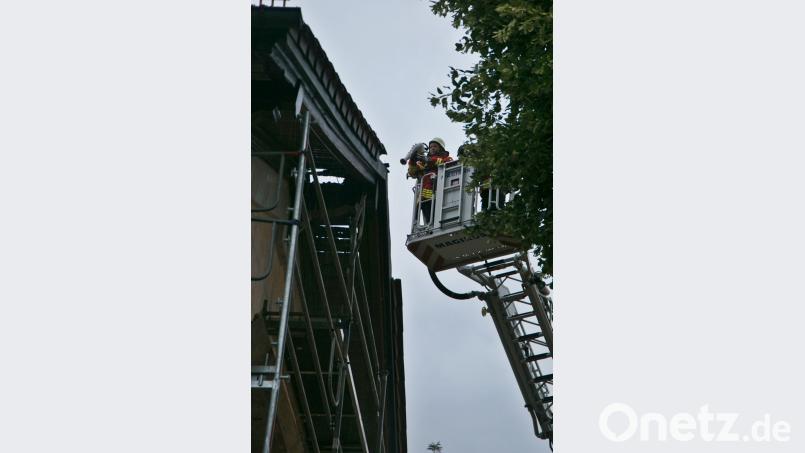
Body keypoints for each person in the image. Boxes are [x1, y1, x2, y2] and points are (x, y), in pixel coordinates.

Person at [417, 137, 453, 225]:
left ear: (440, 148)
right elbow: (414, 171)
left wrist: (428, 160)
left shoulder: (447, 159)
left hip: (439, 193)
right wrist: (413, 161)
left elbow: (442, 162)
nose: (432, 148)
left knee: (437, 215)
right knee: (428, 217)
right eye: (430, 147)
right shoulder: (424, 161)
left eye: (435, 146)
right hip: (425, 195)